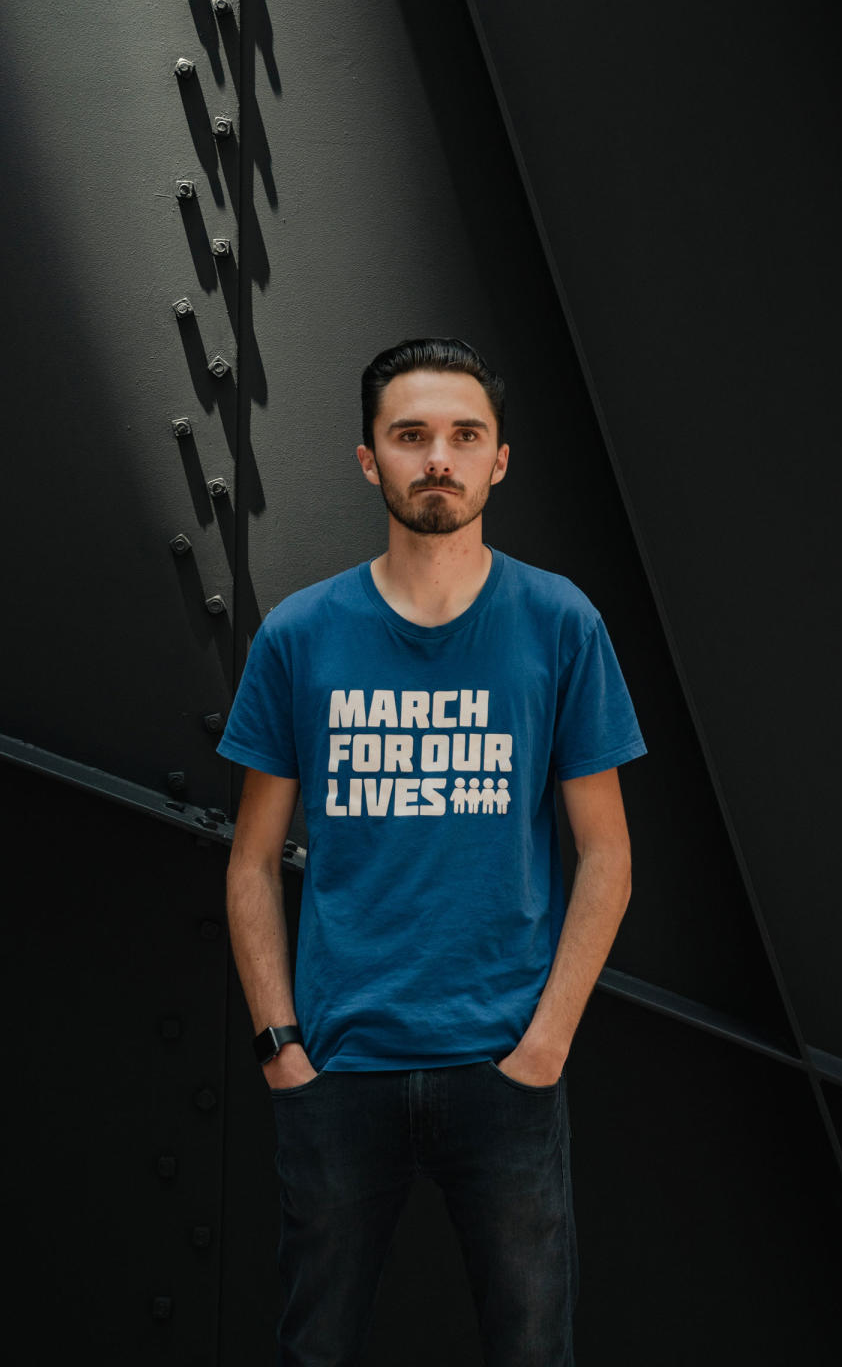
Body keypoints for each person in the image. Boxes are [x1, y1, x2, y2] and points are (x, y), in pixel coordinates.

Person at [217, 337, 647, 1367]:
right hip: (340, 1067)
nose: (438, 459)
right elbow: (250, 863)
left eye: (465, 436)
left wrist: (542, 1048)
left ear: (501, 460)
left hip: (503, 1068)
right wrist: (283, 1050)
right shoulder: (300, 635)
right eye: (410, 437)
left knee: (532, 1350)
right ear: (370, 459)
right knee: (314, 1348)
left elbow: (609, 856)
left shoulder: (559, 623)